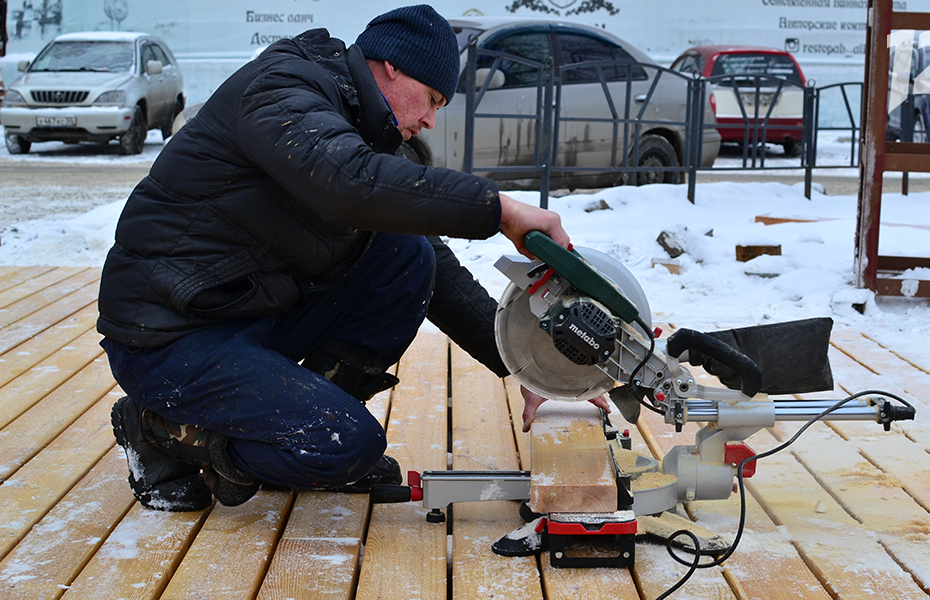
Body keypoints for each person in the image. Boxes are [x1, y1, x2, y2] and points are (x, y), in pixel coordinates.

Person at [98, 4, 608, 512]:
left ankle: (288, 442)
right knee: (348, 445)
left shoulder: (361, 128)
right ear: (392, 66)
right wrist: (499, 210)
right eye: (431, 99)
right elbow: (348, 183)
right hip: (168, 336)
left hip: (245, 313)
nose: (430, 119)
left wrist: (529, 368)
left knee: (408, 257)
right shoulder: (284, 89)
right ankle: (157, 430)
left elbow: (431, 263)